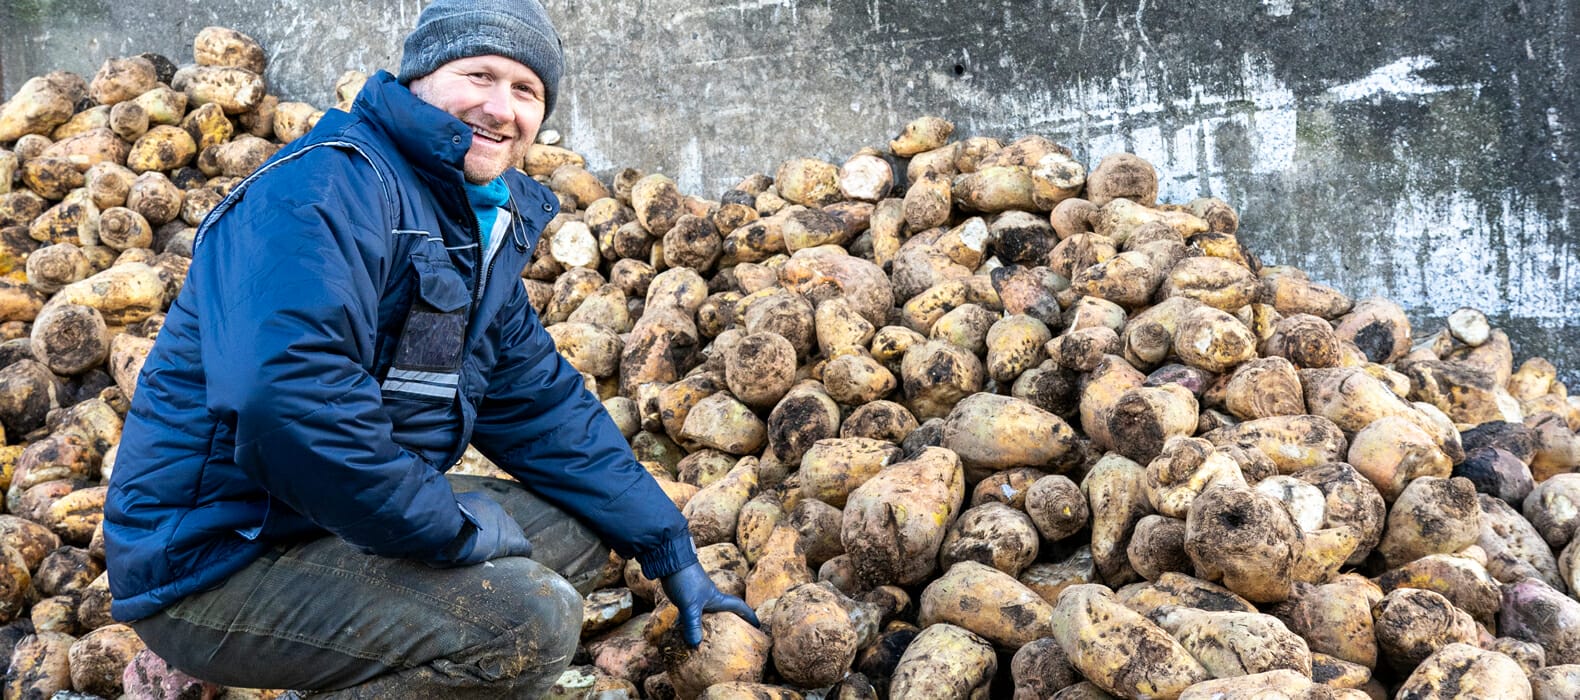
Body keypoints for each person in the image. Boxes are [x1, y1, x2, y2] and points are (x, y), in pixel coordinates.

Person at [103, 1, 756, 696]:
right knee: (527, 623)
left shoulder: (465, 219)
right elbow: (289, 404)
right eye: (479, 74)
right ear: (420, 76)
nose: (500, 108)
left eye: (525, 90)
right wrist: (447, 530)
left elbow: (540, 405)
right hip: (215, 555)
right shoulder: (322, 189)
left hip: (322, 517)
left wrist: (667, 546)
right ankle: (235, 653)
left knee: (579, 530)